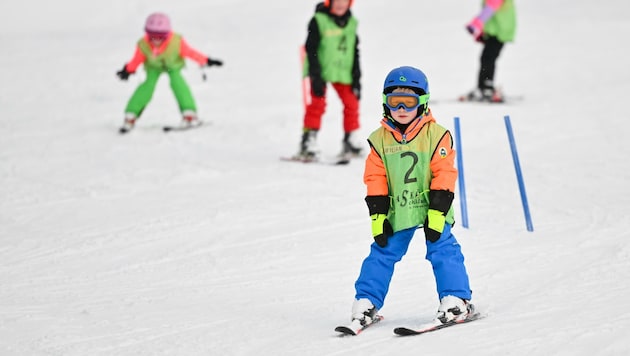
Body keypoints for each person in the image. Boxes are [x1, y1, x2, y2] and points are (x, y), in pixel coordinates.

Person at [347, 66, 473, 331]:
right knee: (381, 252)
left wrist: (437, 212)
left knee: (443, 249)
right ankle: (366, 302)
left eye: (410, 101)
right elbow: (375, 178)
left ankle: (455, 299)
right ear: (385, 103)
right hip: (399, 209)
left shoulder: (437, 135)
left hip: (432, 208)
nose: (402, 108)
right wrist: (378, 215)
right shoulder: (378, 140)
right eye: (394, 101)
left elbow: (444, 172)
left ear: (423, 103)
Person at [116, 12, 223, 133]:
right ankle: (131, 115)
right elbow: (137, 59)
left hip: (173, 66)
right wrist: (128, 70)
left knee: (177, 83)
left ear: (167, 35)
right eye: (152, 36)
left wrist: (206, 60)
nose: (156, 40)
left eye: (161, 36)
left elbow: (190, 53)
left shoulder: (176, 41)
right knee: (147, 85)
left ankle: (189, 114)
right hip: (153, 67)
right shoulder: (143, 44)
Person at [299, 0, 362, 159]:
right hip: (321, 70)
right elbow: (311, 47)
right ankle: (308, 140)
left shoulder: (352, 23)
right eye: (337, 1)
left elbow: (354, 50)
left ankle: (350, 139)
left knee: (352, 102)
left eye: (344, 1)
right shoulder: (319, 20)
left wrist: (356, 77)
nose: (340, 5)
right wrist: (315, 73)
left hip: (342, 71)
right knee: (317, 104)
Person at [463, 0, 516, 103]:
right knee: (486, 58)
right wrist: (484, 31)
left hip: (499, 32)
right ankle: (483, 86)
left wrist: (476, 24)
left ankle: (487, 86)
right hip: (496, 31)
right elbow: (492, 14)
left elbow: (490, 9)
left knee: (488, 58)